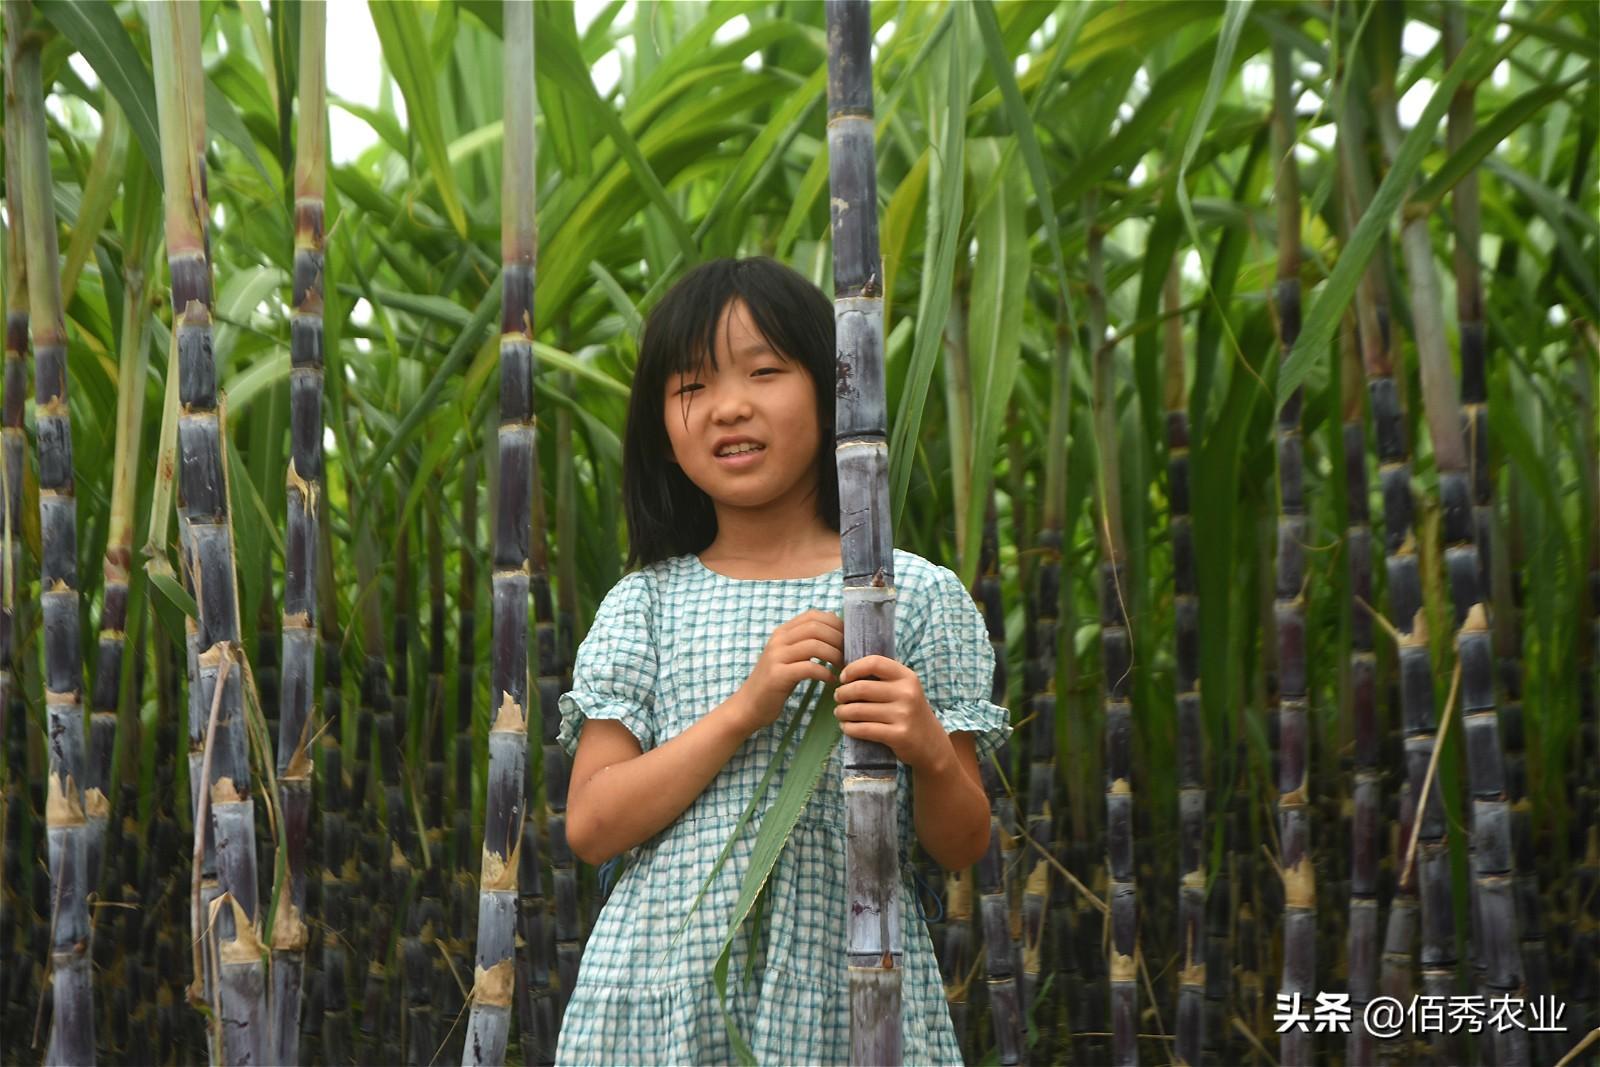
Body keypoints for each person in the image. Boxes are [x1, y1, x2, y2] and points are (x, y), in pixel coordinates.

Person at [554, 256, 1012, 1065]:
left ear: (835, 391)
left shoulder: (913, 595)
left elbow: (961, 841)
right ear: (661, 429)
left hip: (852, 993)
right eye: (691, 386)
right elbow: (591, 823)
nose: (729, 406)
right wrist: (746, 707)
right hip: (660, 1001)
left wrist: (929, 749)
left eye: (766, 371)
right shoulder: (646, 604)